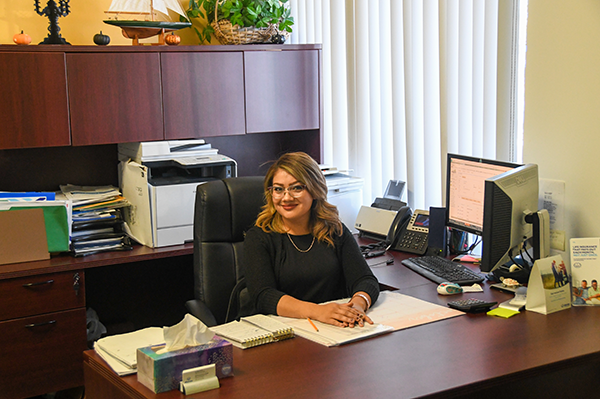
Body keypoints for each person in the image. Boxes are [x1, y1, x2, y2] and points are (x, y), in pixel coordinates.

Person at [243, 152, 380, 328]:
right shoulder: (260, 237)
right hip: (283, 330)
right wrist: (319, 311)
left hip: (334, 328)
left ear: (314, 190)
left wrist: (357, 307)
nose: (286, 197)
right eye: (278, 189)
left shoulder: (333, 230)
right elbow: (263, 296)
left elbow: (365, 280)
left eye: (296, 188)